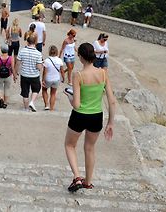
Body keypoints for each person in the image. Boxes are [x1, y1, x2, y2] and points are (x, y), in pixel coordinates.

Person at [63, 42, 116, 192]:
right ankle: (88, 181)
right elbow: (111, 101)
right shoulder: (103, 74)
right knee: (90, 148)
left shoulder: (78, 75)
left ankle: (77, 177)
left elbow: (77, 104)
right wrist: (110, 123)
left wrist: (69, 96)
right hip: (96, 117)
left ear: (80, 57)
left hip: (79, 116)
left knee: (69, 145)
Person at [17, 34, 43, 112]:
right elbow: (39, 67)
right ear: (35, 42)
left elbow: (17, 63)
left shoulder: (22, 51)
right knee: (36, 89)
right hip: (34, 75)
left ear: (27, 42)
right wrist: (41, 64)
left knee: (25, 92)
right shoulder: (38, 53)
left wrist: (15, 73)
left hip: (24, 74)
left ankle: (26, 108)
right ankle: (32, 102)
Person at [42, 45, 65, 111]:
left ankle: (46, 105)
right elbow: (62, 71)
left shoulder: (47, 60)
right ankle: (51, 108)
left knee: (44, 90)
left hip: (48, 79)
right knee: (53, 93)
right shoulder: (59, 60)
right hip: (56, 79)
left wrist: (43, 80)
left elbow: (45, 72)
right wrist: (63, 78)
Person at [0, 43, 14, 109]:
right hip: (8, 75)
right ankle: (5, 103)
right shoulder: (10, 58)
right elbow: (12, 68)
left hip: (0, 75)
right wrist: (14, 75)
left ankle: (1, 98)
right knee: (7, 89)